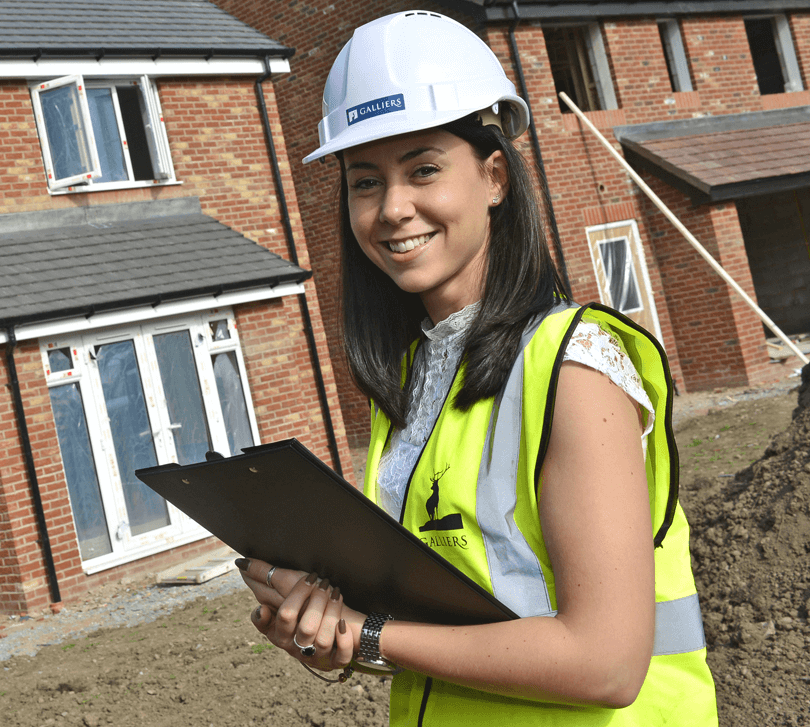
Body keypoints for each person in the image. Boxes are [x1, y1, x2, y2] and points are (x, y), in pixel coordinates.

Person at [234, 10, 718, 725]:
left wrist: (369, 631)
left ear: (493, 176)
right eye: (364, 182)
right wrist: (334, 631)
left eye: (422, 169)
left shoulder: (572, 369)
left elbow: (607, 662)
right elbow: (455, 622)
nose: (393, 208)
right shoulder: (416, 379)